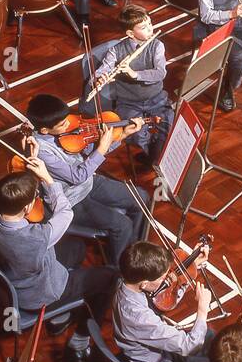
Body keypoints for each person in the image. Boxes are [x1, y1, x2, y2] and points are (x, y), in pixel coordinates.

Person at [0, 149, 116, 362]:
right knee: (110, 279)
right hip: (40, 293)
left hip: (14, 278)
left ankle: (60, 318)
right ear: (27, 207)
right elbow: (65, 213)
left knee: (76, 248)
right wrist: (47, 178)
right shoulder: (36, 238)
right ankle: (80, 338)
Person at [25, 93, 149, 264]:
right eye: (62, 124)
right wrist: (101, 149)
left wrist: (122, 135)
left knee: (142, 198)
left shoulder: (69, 130)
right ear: (45, 130)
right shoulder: (42, 151)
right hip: (71, 199)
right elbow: (78, 175)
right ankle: (120, 271)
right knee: (123, 225)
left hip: (89, 182)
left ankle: (134, 250)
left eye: (67, 118)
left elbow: (89, 157)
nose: (68, 124)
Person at [112, 241, 213, 362]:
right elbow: (189, 346)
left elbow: (164, 297)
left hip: (152, 355)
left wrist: (191, 265)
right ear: (144, 284)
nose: (168, 278)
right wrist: (202, 310)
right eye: (162, 277)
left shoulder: (126, 281)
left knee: (210, 336)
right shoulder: (139, 317)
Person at [88, 6, 174, 164]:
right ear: (130, 33)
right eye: (143, 27)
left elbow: (160, 73)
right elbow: (99, 73)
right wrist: (99, 79)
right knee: (137, 134)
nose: (150, 29)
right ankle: (153, 157)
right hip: (129, 103)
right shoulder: (116, 51)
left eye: (150, 24)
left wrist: (134, 74)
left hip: (156, 98)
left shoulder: (157, 46)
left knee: (168, 125)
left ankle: (157, 156)